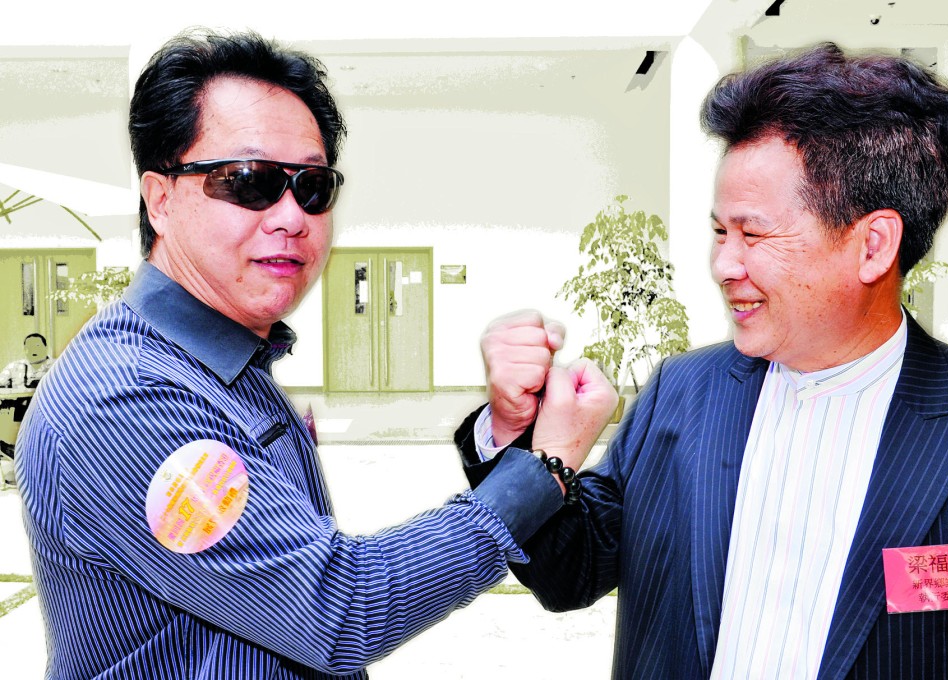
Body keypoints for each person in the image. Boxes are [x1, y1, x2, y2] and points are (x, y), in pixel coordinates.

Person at [15, 29, 616, 679]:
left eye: (312, 187)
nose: (290, 216)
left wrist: (506, 435)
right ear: (160, 199)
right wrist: (546, 469)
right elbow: (338, 609)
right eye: (249, 181)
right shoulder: (126, 400)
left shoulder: (226, 366)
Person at [459, 43, 948, 679]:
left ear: (872, 246)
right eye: (720, 232)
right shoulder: (684, 394)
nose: (724, 265)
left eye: (753, 235)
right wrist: (515, 431)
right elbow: (571, 572)